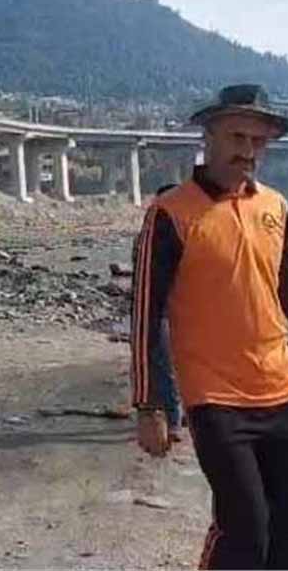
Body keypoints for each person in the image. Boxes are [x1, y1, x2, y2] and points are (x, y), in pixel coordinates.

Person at [130, 84, 288, 570]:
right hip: (215, 400)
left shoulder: (276, 207)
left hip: (282, 392)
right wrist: (151, 404)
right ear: (209, 136)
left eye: (259, 141)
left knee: (287, 535)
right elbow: (147, 313)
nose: (248, 151)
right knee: (244, 530)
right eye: (237, 137)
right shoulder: (170, 213)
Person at [129, 182, 183, 442]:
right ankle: (172, 419)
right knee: (162, 363)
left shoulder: (184, 232)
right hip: (159, 311)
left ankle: (178, 415)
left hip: (181, 311)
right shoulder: (147, 237)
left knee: (176, 365)